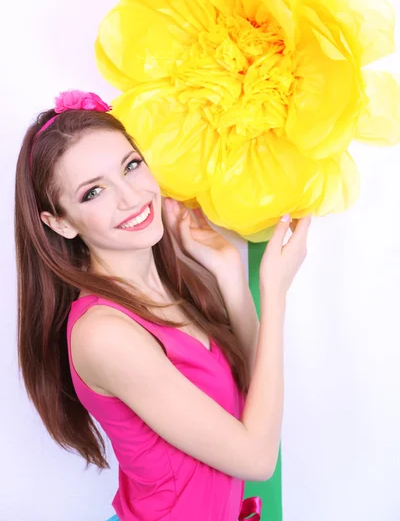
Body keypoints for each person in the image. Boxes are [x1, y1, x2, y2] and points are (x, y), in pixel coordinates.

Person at [15, 90, 311, 521]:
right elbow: (257, 457)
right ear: (59, 222)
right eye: (93, 192)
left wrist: (230, 273)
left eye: (131, 166)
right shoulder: (104, 333)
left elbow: (252, 395)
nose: (131, 197)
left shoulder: (172, 288)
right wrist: (275, 293)